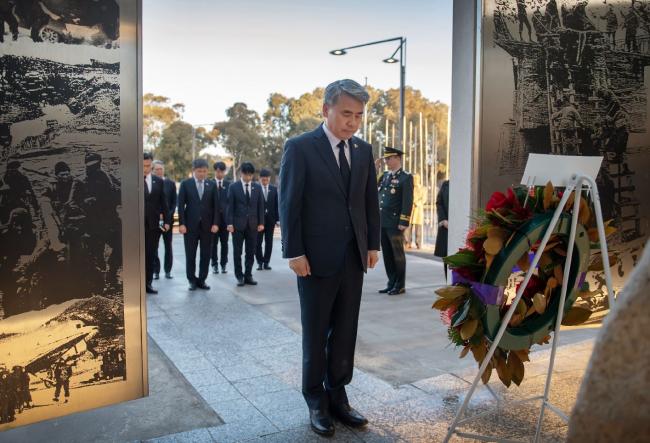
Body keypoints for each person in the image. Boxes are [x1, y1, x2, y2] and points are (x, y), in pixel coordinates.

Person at [280, 79, 380, 437]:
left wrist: (372, 244)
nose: (352, 122)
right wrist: (294, 251)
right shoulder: (300, 147)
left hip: (353, 257)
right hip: (314, 259)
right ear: (326, 110)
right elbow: (289, 203)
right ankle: (315, 399)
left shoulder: (364, 151)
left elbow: (369, 201)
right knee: (316, 330)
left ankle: (338, 394)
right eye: (346, 114)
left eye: (358, 116)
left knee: (345, 330)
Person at [177, 159, 220, 291]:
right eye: (199, 171)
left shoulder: (212, 185)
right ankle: (191, 280)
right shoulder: (186, 184)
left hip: (207, 226)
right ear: (194, 171)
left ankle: (202, 280)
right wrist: (181, 224)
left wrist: (215, 223)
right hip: (190, 226)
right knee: (191, 254)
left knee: (206, 254)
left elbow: (216, 206)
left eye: (204, 171)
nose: (202, 174)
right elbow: (181, 205)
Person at [377, 147, 413, 296]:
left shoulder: (405, 177)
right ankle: (391, 282)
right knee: (387, 254)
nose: (386, 161)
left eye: (388, 158)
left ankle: (400, 284)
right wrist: (374, 168)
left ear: (398, 158)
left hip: (395, 222)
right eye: (385, 159)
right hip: (383, 221)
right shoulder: (384, 176)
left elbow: (407, 201)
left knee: (397, 254)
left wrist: (404, 221)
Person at [226, 162, 264, 287]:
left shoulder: (257, 187)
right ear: (241, 173)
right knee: (237, 252)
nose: (248, 177)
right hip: (237, 225)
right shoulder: (234, 187)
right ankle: (239, 276)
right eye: (245, 174)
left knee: (250, 251)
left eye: (250, 175)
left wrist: (261, 222)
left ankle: (248, 275)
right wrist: (230, 223)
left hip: (253, 225)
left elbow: (260, 206)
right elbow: (230, 207)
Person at [143, 153, 170, 294]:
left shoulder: (158, 182)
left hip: (153, 226)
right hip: (136, 226)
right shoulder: (132, 180)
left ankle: (148, 283)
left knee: (150, 255)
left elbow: (164, 203)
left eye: (148, 166)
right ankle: (136, 285)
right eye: (143, 166)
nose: (146, 169)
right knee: (137, 256)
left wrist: (166, 221)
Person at [152, 160, 176, 280]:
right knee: (154, 247)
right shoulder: (151, 183)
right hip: (154, 221)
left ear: (164, 170)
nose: (159, 171)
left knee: (168, 246)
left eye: (160, 169)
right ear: (153, 170)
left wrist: (167, 217)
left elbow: (173, 203)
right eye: (156, 170)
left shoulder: (170, 183)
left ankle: (168, 271)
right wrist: (158, 215)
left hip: (168, 222)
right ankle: (156, 271)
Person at [256, 169, 279, 271]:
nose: (265, 181)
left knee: (269, 242)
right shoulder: (256, 189)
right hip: (258, 221)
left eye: (266, 179)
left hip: (270, 220)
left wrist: (278, 220)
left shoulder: (274, 189)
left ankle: (266, 262)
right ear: (259, 179)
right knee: (258, 242)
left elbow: (277, 205)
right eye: (263, 180)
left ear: (269, 179)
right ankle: (259, 262)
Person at [211, 161, 231, 274]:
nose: (220, 174)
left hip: (225, 220)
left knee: (225, 243)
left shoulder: (229, 185)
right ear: (215, 171)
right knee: (213, 243)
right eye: (218, 171)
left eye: (222, 171)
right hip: (213, 220)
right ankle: (214, 264)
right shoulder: (210, 183)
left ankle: (223, 264)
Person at [434, 180, 450, 281]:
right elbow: (439, 203)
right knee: (447, 259)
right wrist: (443, 219)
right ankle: (448, 284)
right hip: (446, 227)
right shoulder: (446, 184)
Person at [404, 173, 425, 250]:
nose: (415, 180)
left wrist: (416, 202)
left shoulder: (423, 188)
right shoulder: (409, 188)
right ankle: (407, 242)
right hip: (410, 210)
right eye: (414, 179)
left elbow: (423, 199)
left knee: (418, 230)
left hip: (418, 211)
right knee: (408, 229)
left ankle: (418, 243)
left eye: (416, 179)